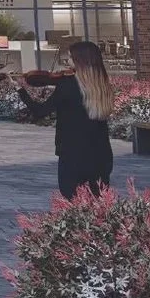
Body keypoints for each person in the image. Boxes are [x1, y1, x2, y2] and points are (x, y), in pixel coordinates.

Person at [21, 40, 117, 197]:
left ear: (80, 61)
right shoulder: (102, 85)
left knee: (71, 199)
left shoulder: (68, 84)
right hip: (101, 153)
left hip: (73, 152)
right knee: (98, 201)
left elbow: (40, 111)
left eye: (70, 58)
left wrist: (21, 91)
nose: (67, 61)